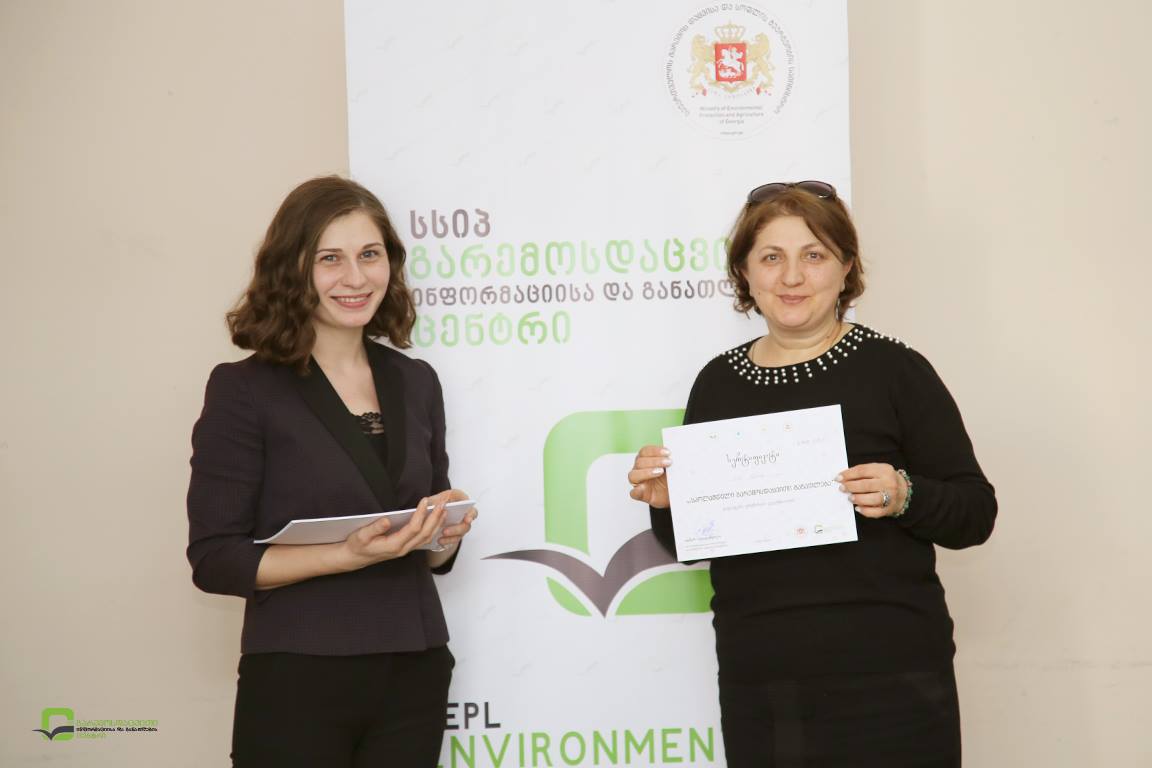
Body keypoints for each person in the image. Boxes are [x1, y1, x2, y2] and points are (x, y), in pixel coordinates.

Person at [627, 181, 995, 767]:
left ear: (846, 267)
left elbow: (975, 515)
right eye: (772, 257)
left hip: (893, 679)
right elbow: (691, 547)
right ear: (744, 272)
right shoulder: (717, 384)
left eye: (814, 255)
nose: (792, 277)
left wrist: (906, 494)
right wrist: (671, 503)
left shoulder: (896, 370)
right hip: (764, 685)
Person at [187, 175, 477, 767]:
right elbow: (215, 559)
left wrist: (442, 534)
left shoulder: (416, 381)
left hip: (415, 666)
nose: (355, 277)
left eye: (370, 255)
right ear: (292, 268)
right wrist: (347, 554)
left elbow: (431, 556)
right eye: (330, 259)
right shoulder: (244, 389)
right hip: (299, 672)